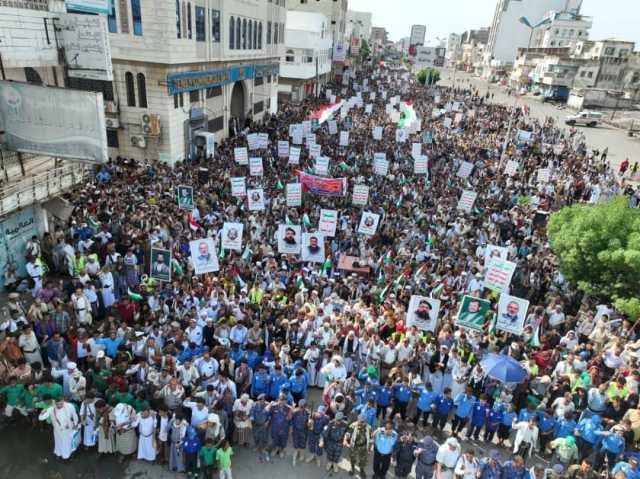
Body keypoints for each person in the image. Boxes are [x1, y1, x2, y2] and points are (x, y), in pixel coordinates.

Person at [345, 413, 372, 478]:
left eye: (363, 421)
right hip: (354, 446)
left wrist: (370, 448)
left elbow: (370, 438)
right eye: (360, 421)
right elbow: (347, 434)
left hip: (363, 447)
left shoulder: (369, 427)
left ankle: (362, 470)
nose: (361, 423)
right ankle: (352, 467)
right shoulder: (353, 425)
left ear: (366, 421)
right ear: (358, 420)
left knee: (363, 460)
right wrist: (345, 440)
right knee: (352, 458)